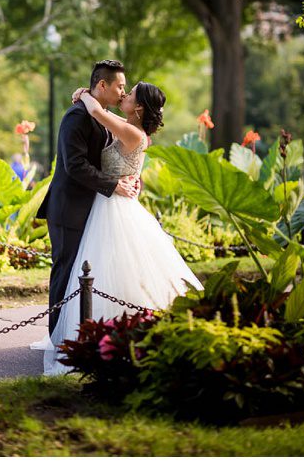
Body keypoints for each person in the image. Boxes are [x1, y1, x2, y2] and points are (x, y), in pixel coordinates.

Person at [33, 75, 202, 375]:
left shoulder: (133, 134)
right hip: (106, 202)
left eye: (131, 93)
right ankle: (100, 333)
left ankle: (108, 335)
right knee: (105, 267)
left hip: (115, 206)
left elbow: (98, 113)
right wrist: (85, 94)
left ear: (138, 109)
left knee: (110, 268)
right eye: (124, 89)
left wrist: (84, 94)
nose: (124, 94)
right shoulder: (130, 129)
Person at [36, 60, 139, 335]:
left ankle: (77, 334)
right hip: (68, 209)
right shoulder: (77, 116)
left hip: (92, 209)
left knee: (83, 277)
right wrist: (114, 184)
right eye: (119, 86)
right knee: (65, 272)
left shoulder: (99, 114)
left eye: (126, 89)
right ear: (102, 85)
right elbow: (76, 165)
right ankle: (56, 338)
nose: (122, 92)